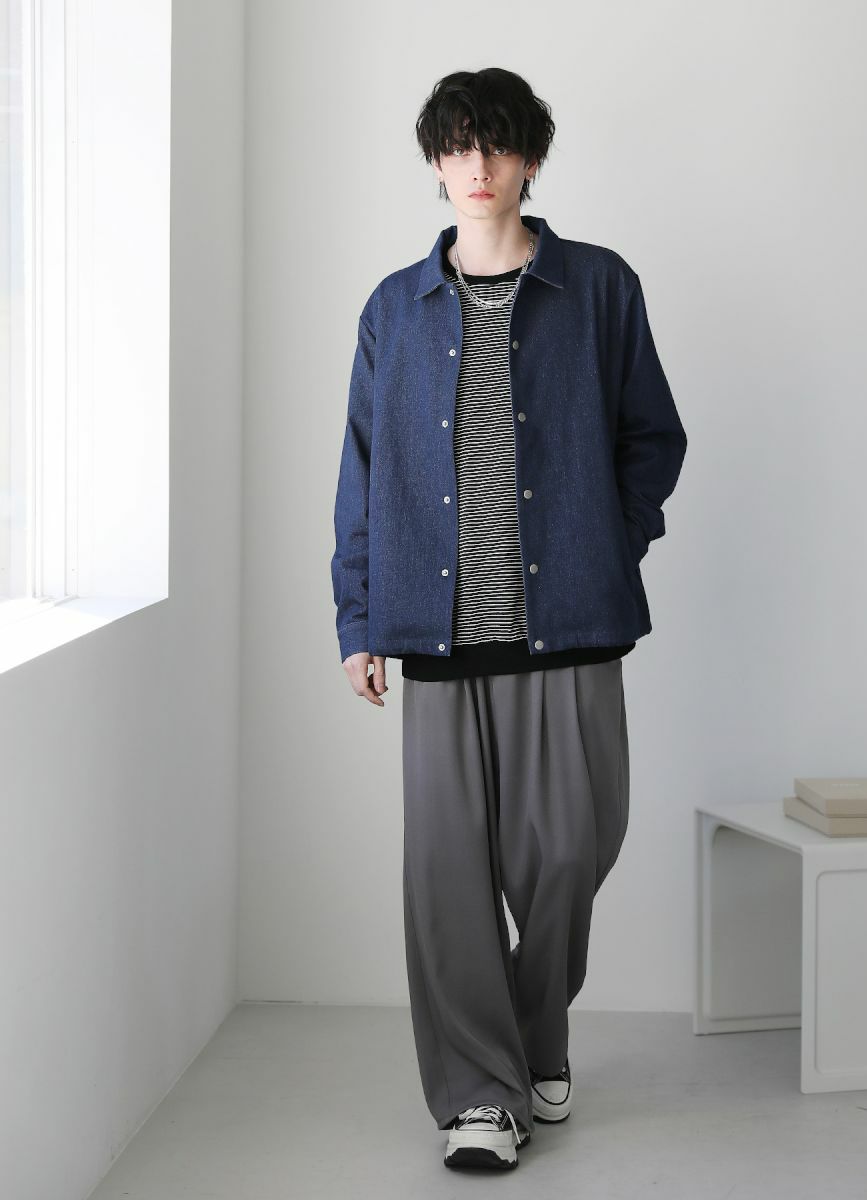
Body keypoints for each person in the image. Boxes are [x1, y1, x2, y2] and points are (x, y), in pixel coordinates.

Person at [330, 67, 687, 1170]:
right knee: (448, 881)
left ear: (529, 158)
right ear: (435, 163)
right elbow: (361, 471)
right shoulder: (393, 309)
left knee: (571, 851)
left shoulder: (598, 287)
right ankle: (481, 1095)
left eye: (496, 145)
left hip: (569, 626)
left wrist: (607, 538)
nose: (476, 166)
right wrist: (357, 617)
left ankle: (537, 1037)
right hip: (435, 636)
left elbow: (653, 437)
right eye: (457, 146)